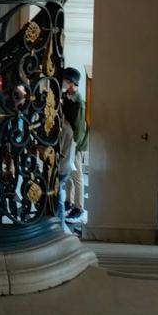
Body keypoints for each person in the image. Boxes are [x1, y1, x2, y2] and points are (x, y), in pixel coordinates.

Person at [62, 66, 88, 221]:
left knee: (77, 175)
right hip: (67, 140)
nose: (64, 82)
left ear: (71, 82)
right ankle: (68, 201)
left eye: (66, 80)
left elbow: (80, 128)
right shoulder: (66, 97)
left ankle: (79, 207)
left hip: (76, 143)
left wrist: (75, 147)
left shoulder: (79, 102)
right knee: (68, 172)